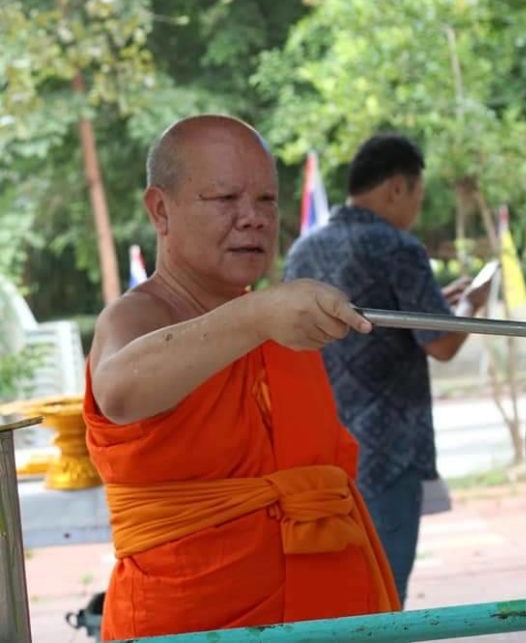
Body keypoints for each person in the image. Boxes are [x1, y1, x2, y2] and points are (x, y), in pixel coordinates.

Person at [84, 115, 400, 640]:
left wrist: (262, 317)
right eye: (225, 199)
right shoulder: (137, 317)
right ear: (160, 210)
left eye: (267, 201)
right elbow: (117, 389)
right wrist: (255, 318)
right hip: (190, 620)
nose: (253, 219)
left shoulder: (276, 323)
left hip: (327, 610)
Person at [283, 133, 490, 605]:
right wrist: (473, 306)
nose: (417, 207)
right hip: (386, 450)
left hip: (320, 453)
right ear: (397, 187)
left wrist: (443, 302)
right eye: (418, 194)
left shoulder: (302, 252)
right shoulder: (397, 246)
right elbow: (441, 344)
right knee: (383, 595)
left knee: (331, 597)